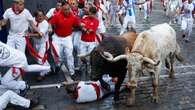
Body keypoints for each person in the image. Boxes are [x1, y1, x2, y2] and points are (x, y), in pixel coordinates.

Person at [49, 1, 79, 78]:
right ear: (61, 9)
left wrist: (82, 25)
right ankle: (58, 64)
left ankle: (72, 72)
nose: (67, 11)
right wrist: (49, 28)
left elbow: (78, 24)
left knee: (69, 55)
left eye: (68, 9)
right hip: (57, 38)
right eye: (65, 9)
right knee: (56, 54)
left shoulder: (73, 16)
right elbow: (50, 23)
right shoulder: (56, 15)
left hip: (67, 38)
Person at [27, 9, 51, 81]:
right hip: (36, 44)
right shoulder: (32, 21)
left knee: (40, 59)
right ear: (35, 17)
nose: (41, 18)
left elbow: (39, 36)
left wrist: (29, 35)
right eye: (39, 16)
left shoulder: (45, 23)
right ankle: (48, 68)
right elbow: (27, 27)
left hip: (44, 43)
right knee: (37, 59)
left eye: (42, 16)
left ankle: (41, 74)